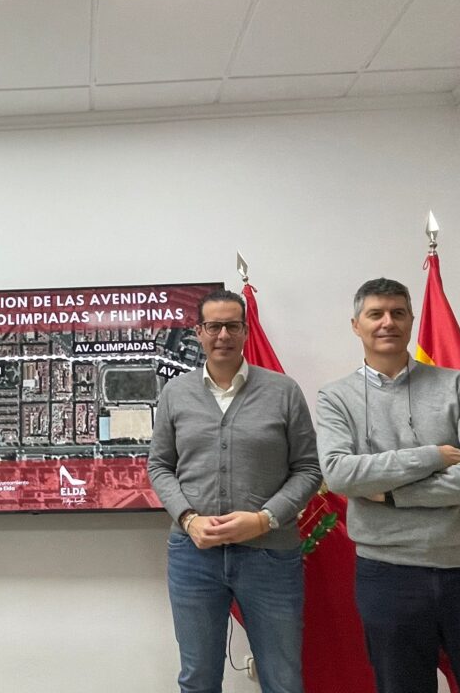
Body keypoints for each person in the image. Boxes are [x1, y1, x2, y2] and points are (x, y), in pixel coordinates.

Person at [317, 277, 460, 693]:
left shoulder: (459, 386)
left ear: (411, 320)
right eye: (375, 314)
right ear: (356, 325)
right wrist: (433, 456)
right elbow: (341, 474)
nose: (387, 322)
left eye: (398, 313)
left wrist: (393, 494)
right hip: (388, 576)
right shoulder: (335, 397)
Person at [147, 289, 321, 693]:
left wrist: (264, 519)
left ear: (245, 330)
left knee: (282, 678)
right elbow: (159, 466)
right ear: (198, 333)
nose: (223, 335)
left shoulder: (283, 391)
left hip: (271, 555)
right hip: (194, 556)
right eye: (213, 326)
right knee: (198, 678)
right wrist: (188, 519)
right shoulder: (175, 393)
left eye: (232, 326)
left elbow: (308, 469)